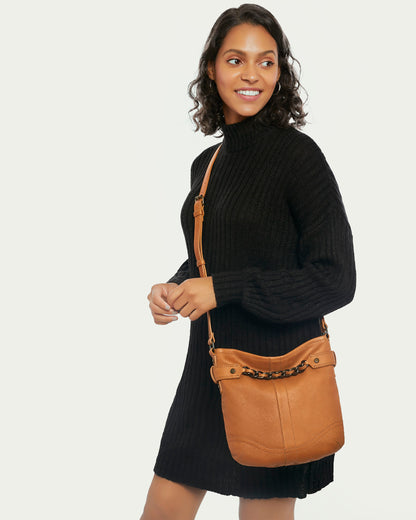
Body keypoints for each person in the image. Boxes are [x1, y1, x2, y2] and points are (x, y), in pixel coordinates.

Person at [143, 4, 356, 519]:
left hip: (276, 371)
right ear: (211, 69)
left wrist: (223, 288)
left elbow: (337, 279)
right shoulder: (209, 161)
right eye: (236, 59)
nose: (251, 75)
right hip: (210, 365)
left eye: (266, 62)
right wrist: (176, 285)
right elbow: (213, 253)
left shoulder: (298, 156)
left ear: (280, 72)